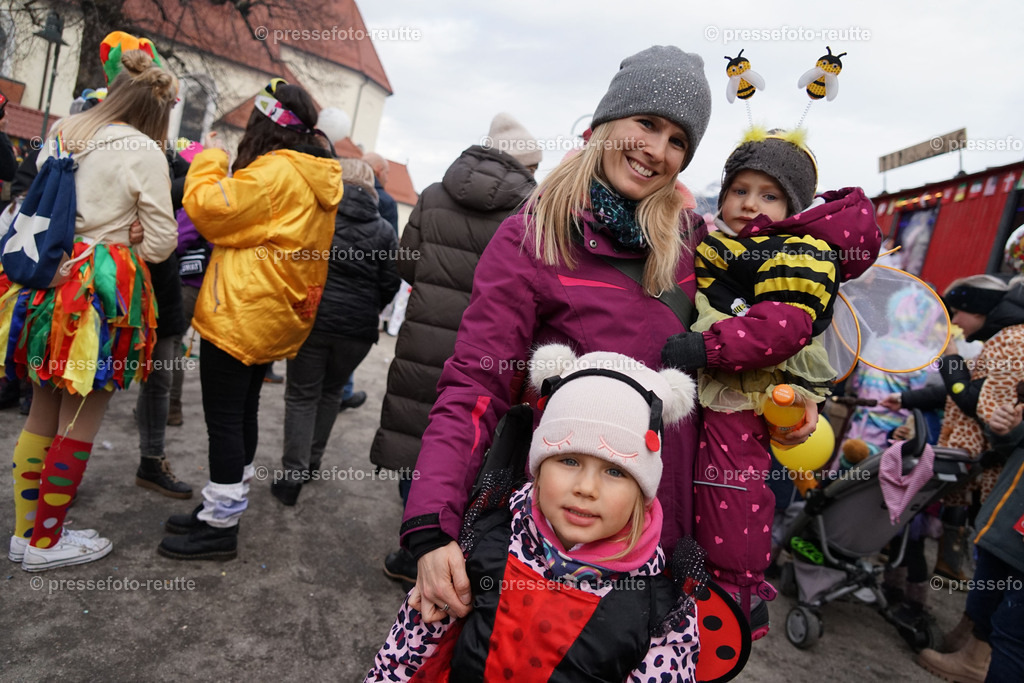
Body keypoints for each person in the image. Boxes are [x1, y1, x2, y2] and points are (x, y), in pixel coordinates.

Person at [401, 45, 716, 625]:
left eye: (678, 140)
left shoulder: (693, 246)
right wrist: (432, 523)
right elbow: (475, 382)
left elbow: (732, 372)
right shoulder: (535, 235)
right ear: (604, 125)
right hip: (554, 532)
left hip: (658, 531)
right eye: (646, 123)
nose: (658, 150)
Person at [366, 345, 701, 681]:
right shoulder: (484, 543)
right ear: (538, 470)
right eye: (569, 460)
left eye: (615, 471)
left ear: (642, 495)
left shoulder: (660, 611)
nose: (586, 487)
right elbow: (410, 650)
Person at [659, 129, 880, 632]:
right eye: (739, 190)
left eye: (769, 194)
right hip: (715, 392)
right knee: (701, 486)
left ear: (793, 207)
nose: (749, 204)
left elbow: (784, 327)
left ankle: (734, 594)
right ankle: (699, 587)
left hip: (743, 394)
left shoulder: (795, 253)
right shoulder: (728, 245)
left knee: (731, 491)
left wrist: (705, 348)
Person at [3, 50, 179, 571]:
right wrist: (133, 238)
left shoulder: (66, 129)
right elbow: (165, 241)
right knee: (79, 416)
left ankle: (25, 533)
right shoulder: (144, 149)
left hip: (47, 279)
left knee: (40, 410)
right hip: (100, 291)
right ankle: (48, 543)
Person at [156, 79, 342, 561]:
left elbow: (209, 211)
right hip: (273, 315)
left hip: (242, 314)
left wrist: (210, 159)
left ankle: (219, 526)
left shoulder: (276, 172)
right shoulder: (313, 171)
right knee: (242, 412)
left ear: (266, 125)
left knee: (225, 419)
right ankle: (224, 505)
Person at [371, 111, 541, 588]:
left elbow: (406, 264)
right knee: (467, 440)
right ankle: (449, 549)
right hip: (489, 352)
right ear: (527, 165)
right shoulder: (529, 209)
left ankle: (414, 544)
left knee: (415, 436)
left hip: (423, 338)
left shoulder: (432, 193)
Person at [882, 273, 1024, 647]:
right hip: (981, 466)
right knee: (987, 556)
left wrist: (950, 360)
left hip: (989, 468)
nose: (956, 322)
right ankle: (968, 635)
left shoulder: (1012, 342)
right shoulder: (1002, 338)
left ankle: (976, 644)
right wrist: (908, 400)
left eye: (959, 312)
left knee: (994, 559)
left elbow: (976, 403)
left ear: (979, 310)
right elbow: (969, 392)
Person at [271, 158, 401, 505]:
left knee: (301, 395)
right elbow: (390, 283)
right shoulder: (385, 232)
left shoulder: (318, 217)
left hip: (313, 321)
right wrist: (368, 308)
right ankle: (312, 463)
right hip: (357, 331)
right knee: (330, 394)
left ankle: (292, 476)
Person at [917, 396, 1024, 682]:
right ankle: (973, 656)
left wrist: (951, 360)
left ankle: (980, 661)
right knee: (986, 602)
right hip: (1005, 524)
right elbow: (1012, 449)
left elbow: (964, 393)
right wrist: (1006, 430)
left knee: (1013, 635)